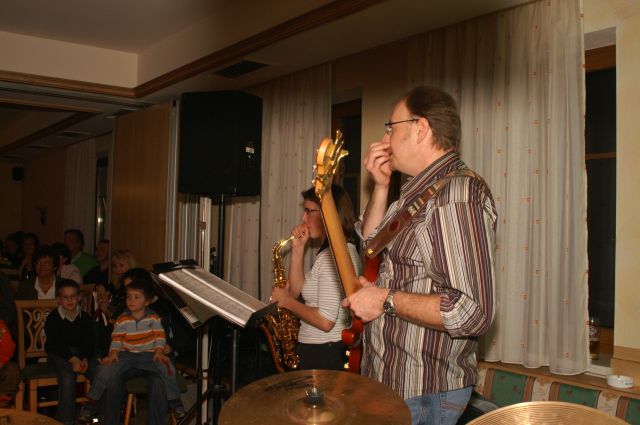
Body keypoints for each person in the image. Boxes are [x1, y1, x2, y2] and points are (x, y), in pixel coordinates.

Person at [341, 86, 497, 425]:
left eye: (391, 127)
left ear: (421, 128)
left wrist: (384, 298)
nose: (385, 139)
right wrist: (381, 186)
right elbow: (372, 245)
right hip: (395, 383)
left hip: (424, 391)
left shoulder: (455, 195)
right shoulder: (418, 192)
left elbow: (471, 311)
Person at [270, 185, 361, 370]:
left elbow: (325, 321)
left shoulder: (332, 257)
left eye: (309, 211)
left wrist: (286, 301)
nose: (303, 218)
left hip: (323, 352)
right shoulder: (340, 251)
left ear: (329, 214)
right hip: (325, 350)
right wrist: (298, 249)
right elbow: (296, 291)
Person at [81, 279, 185, 421]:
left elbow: (160, 336)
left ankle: (174, 400)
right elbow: (116, 338)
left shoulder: (154, 317)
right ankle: (92, 402)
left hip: (149, 355)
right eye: (129, 297)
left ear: (147, 302)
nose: (131, 300)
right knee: (105, 368)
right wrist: (113, 353)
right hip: (127, 355)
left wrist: (159, 351)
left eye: (136, 297)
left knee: (167, 365)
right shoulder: (122, 318)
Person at [44, 279, 96, 425]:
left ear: (79, 297)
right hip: (58, 354)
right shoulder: (53, 318)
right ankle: (65, 420)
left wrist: (85, 358)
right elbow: (55, 344)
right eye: (65, 297)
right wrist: (72, 359)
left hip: (80, 355)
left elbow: (89, 341)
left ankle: (94, 413)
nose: (69, 300)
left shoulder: (85, 317)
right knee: (67, 375)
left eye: (73, 296)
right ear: (59, 300)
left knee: (100, 372)